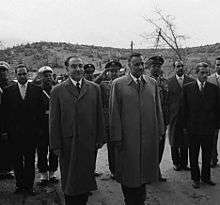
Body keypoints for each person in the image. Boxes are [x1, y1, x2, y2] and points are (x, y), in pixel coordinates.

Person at [109, 53, 164, 205]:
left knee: (144, 173)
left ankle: (140, 199)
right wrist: (116, 137)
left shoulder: (152, 83)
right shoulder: (118, 84)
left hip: (148, 137)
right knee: (129, 174)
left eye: (141, 64)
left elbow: (157, 108)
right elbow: (114, 113)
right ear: (128, 66)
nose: (140, 67)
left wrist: (160, 130)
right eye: (136, 64)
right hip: (128, 139)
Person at [49, 56, 105, 205]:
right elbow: (53, 121)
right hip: (68, 143)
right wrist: (55, 145)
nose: (78, 69)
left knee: (86, 179)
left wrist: (100, 138)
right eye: (74, 66)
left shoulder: (94, 88)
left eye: (80, 66)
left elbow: (99, 115)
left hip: (88, 142)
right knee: (70, 182)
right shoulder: (57, 90)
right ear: (67, 69)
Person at [1, 64, 44, 195]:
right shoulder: (8, 91)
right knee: (17, 161)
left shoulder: (37, 90)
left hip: (31, 133)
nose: (22, 76)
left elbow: (41, 112)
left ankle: (29, 187)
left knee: (30, 160)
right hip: (14, 134)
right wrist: (4, 131)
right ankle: (20, 186)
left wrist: (40, 130)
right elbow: (4, 113)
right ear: (16, 75)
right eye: (20, 74)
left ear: (28, 74)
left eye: (24, 74)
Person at [183, 62, 219, 188]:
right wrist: (185, 127)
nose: (205, 75)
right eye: (202, 73)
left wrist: (216, 127)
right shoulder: (187, 88)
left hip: (208, 129)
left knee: (207, 154)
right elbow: (184, 109)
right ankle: (195, 178)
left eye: (207, 73)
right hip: (193, 129)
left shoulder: (214, 89)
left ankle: (206, 177)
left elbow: (217, 109)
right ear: (196, 73)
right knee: (193, 154)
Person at [167, 60, 194, 171]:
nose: (180, 68)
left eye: (182, 66)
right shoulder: (169, 82)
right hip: (174, 117)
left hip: (187, 116)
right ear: (174, 68)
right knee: (174, 140)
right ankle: (176, 163)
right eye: (178, 66)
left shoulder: (191, 81)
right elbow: (167, 101)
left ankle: (184, 163)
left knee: (185, 141)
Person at [146, 55, 168, 182]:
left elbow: (168, 102)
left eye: (159, 66)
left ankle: (156, 170)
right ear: (149, 67)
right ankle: (148, 173)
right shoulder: (145, 81)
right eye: (154, 66)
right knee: (149, 148)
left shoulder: (165, 82)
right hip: (149, 120)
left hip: (162, 120)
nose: (156, 68)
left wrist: (167, 119)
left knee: (160, 147)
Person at [36, 66, 58, 186]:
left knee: (54, 150)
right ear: (40, 77)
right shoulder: (36, 91)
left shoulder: (57, 89)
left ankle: (52, 173)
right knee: (42, 151)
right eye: (45, 75)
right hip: (41, 127)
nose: (48, 78)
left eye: (50, 75)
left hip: (54, 125)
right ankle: (43, 174)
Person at [99, 60, 122, 179]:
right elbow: (92, 85)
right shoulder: (103, 84)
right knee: (111, 147)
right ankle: (113, 170)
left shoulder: (123, 83)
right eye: (111, 71)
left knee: (123, 146)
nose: (113, 73)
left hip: (122, 119)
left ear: (119, 71)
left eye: (115, 71)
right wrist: (102, 74)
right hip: (109, 120)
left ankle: (122, 168)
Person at [0, 61, 15, 179]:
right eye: (0, 70)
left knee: (9, 146)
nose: (1, 72)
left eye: (4, 70)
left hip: (10, 120)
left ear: (7, 71)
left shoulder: (11, 85)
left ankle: (8, 169)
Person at [207, 57, 220, 168]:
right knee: (213, 138)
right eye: (218, 64)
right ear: (215, 66)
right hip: (214, 115)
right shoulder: (209, 79)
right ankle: (213, 159)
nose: (219, 67)